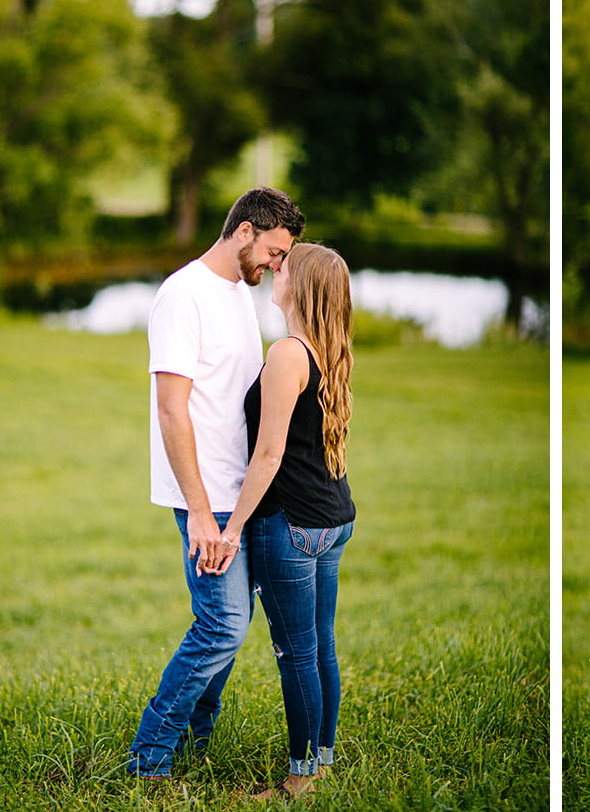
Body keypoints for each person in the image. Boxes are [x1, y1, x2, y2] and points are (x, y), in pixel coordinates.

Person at [129, 188, 306, 781]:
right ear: (245, 231)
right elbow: (173, 410)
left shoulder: (237, 293)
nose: (277, 266)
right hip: (205, 498)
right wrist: (201, 514)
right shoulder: (183, 295)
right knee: (223, 626)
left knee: (232, 627)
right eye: (276, 252)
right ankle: (149, 757)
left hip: (243, 496)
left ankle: (196, 742)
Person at [213, 243, 358, 800]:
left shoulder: (286, 355)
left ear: (301, 288)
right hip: (333, 519)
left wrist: (231, 529)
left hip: (292, 526)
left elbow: (268, 456)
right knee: (320, 644)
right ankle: (319, 762)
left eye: (285, 266)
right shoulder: (326, 348)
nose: (277, 267)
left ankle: (299, 780)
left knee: (297, 652)